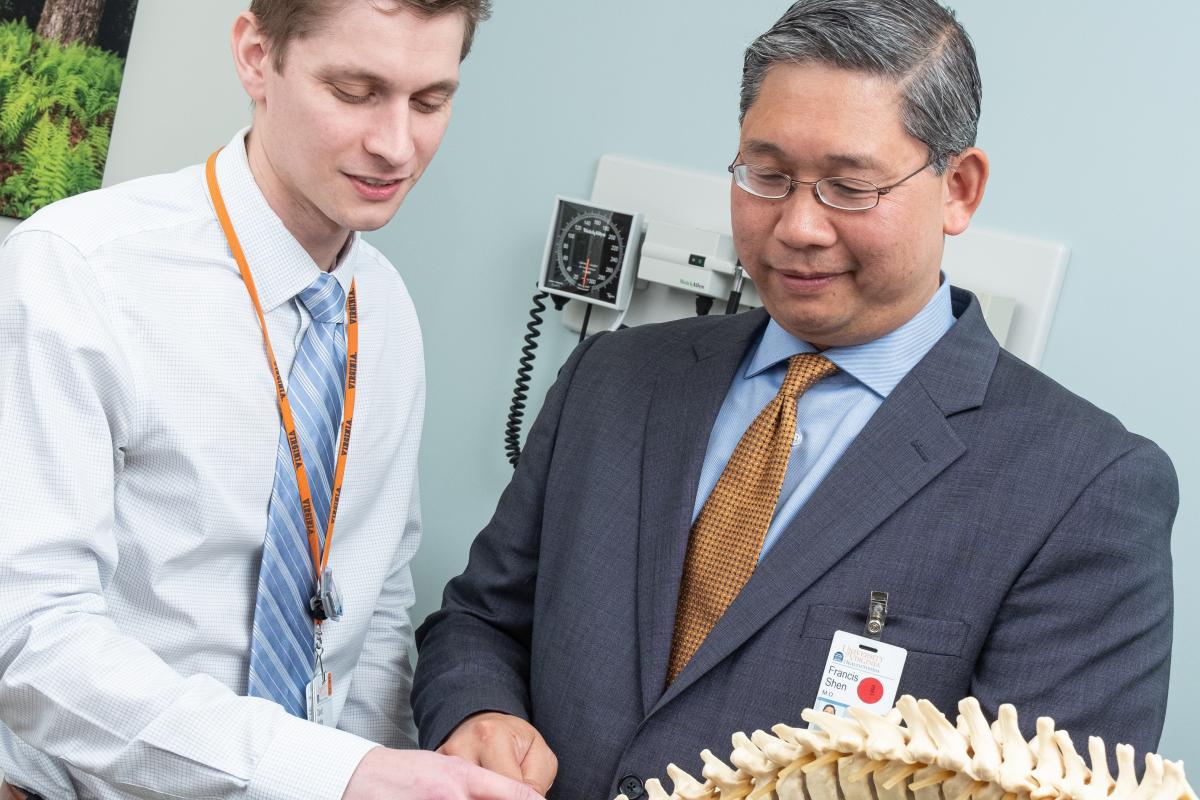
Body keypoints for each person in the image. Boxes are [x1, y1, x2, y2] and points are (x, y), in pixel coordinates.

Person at [411, 1, 1178, 798]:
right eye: (767, 176)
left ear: (959, 188)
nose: (798, 226)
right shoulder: (611, 380)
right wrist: (477, 711)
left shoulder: (1085, 491)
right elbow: (479, 623)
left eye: (850, 187)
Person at [0, 1, 542, 799]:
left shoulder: (386, 312)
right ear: (257, 56)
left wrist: (383, 767)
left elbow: (375, 606)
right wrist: (332, 775)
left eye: (430, 100)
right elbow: (30, 638)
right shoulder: (80, 271)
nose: (397, 145)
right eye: (356, 92)